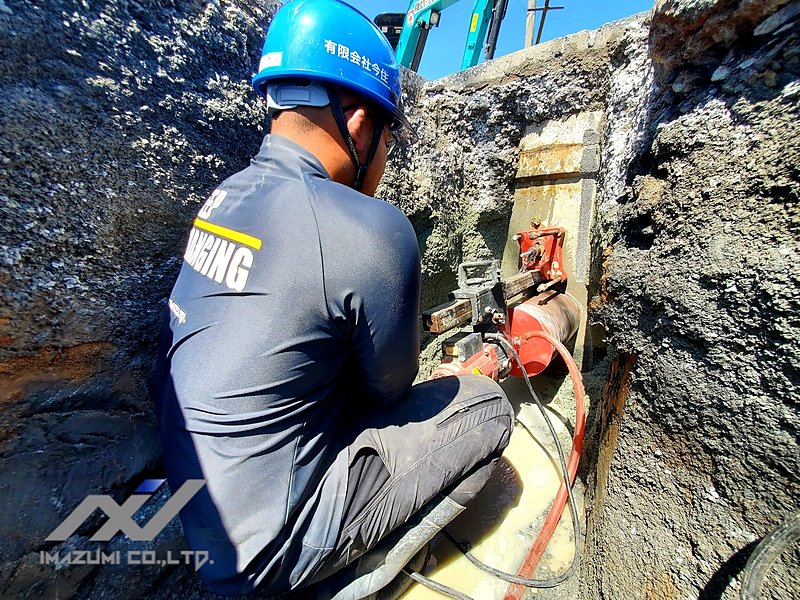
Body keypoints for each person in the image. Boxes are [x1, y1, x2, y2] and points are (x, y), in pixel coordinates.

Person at [153, 0, 514, 597]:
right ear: (359, 121)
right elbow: (391, 391)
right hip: (267, 557)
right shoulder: (371, 226)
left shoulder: (225, 198)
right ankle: (344, 583)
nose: (386, 158)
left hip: (199, 519)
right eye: (388, 135)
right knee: (485, 408)